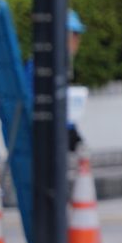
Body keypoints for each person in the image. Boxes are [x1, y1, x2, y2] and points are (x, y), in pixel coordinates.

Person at [24, 9, 86, 151]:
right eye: (74, 35)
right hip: (46, 136)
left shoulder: (38, 63)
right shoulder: (48, 68)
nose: (77, 41)